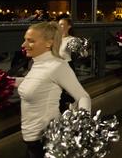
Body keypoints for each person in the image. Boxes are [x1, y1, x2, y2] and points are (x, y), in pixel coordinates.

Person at [15, 22, 91, 158]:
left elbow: (83, 97)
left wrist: (82, 126)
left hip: (45, 140)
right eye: (25, 40)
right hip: (30, 139)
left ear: (48, 43)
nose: (23, 45)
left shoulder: (57, 66)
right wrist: (4, 81)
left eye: (30, 41)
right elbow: (36, 82)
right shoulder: (37, 62)